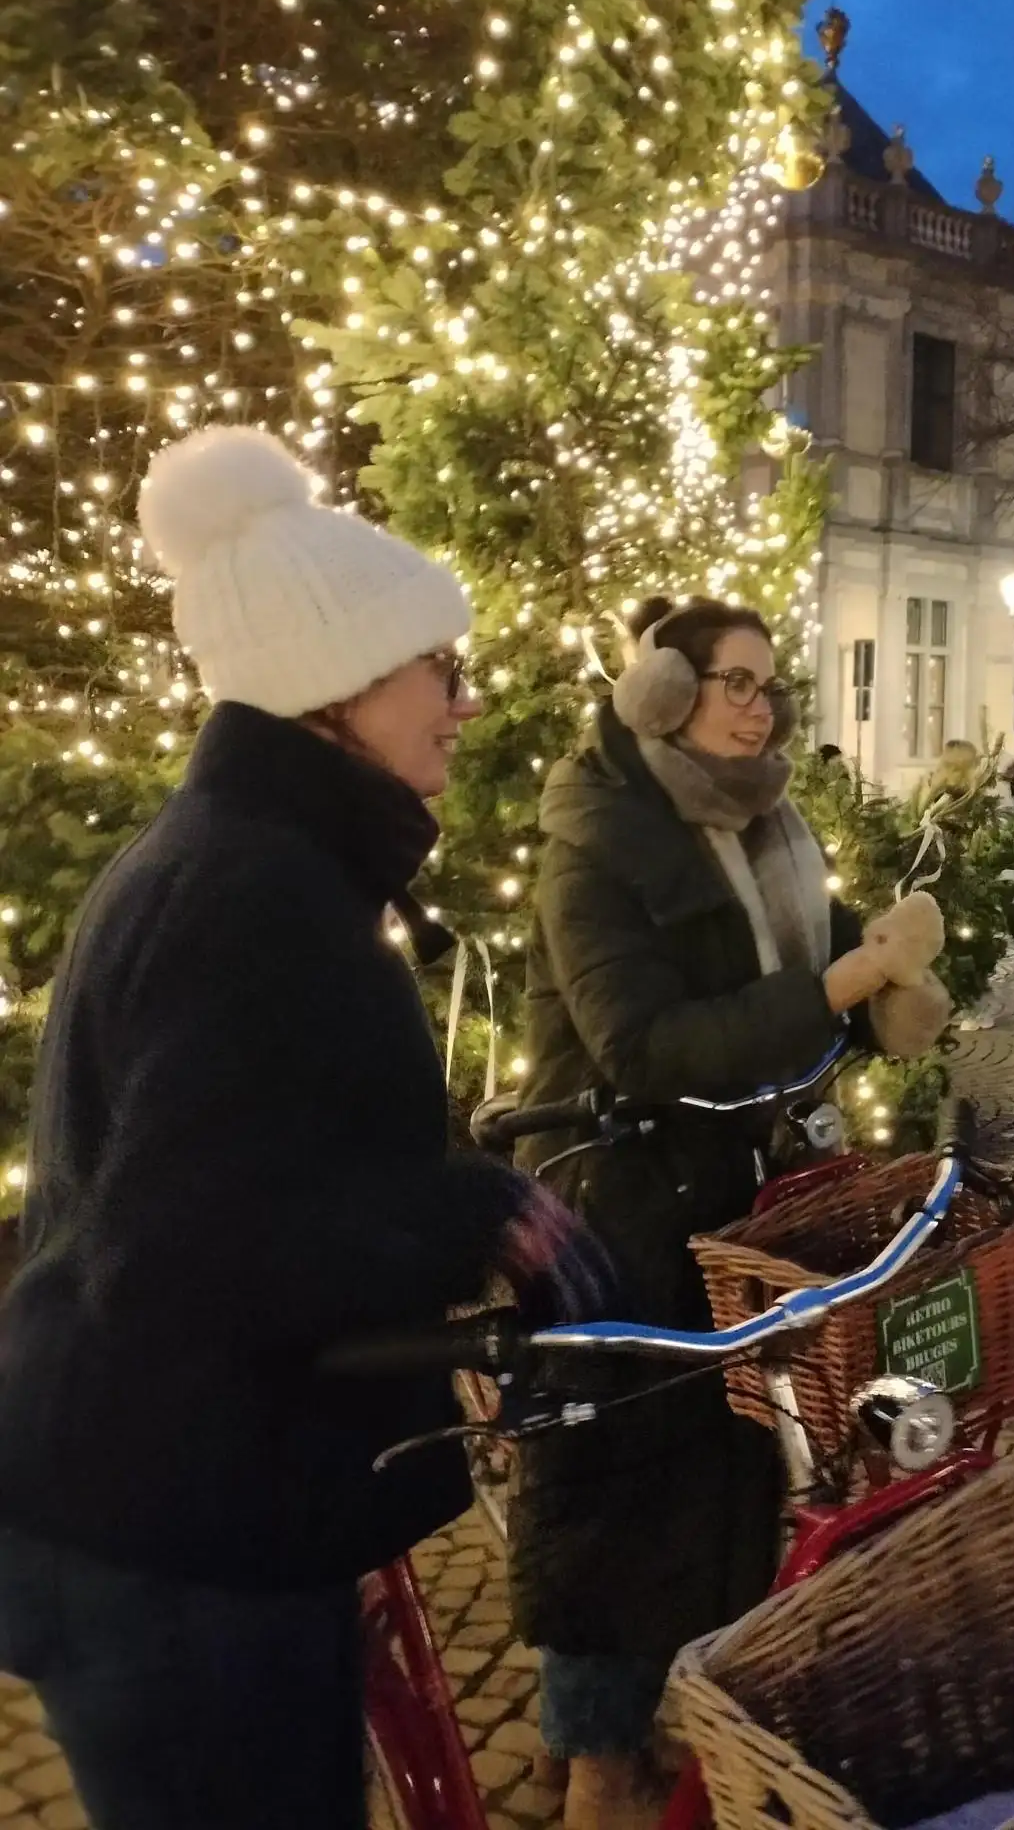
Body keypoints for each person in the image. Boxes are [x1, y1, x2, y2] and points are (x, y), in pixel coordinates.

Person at [0, 427, 609, 1829]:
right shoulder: (254, 895)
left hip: (170, 1518)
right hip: (175, 1547)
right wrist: (477, 1213)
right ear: (335, 690)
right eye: (437, 671)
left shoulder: (245, 861)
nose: (462, 703)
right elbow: (185, 1259)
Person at [510, 596, 948, 1829]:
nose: (759, 705)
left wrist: (880, 996)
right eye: (732, 682)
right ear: (661, 694)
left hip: (734, 1201)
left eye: (769, 684)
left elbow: (804, 958)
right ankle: (593, 1764)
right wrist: (842, 983)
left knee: (723, 1476)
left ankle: (647, 1733)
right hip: (614, 1211)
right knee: (615, 1495)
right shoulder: (594, 841)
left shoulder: (768, 822)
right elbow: (644, 1047)